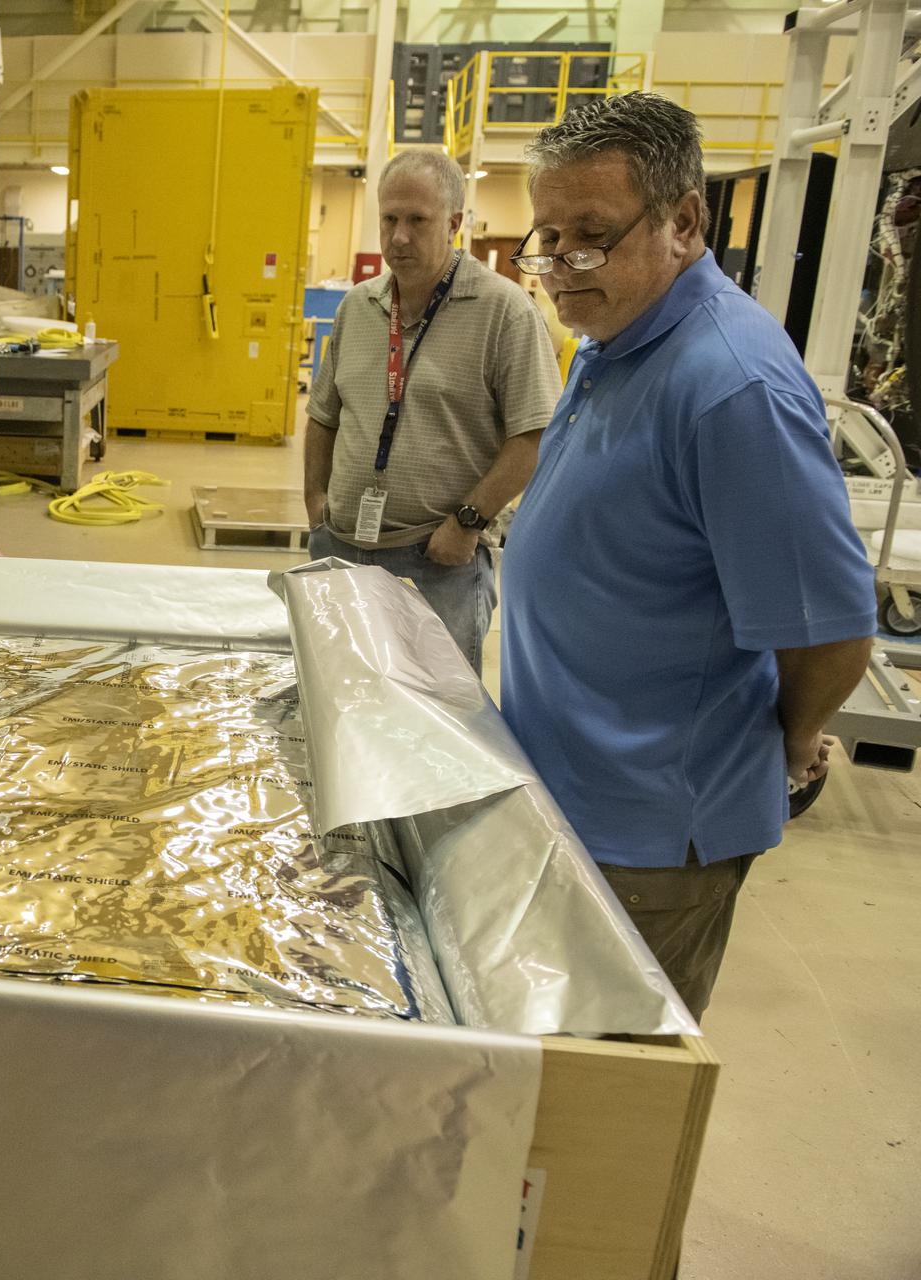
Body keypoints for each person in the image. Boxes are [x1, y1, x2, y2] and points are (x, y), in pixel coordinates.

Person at [501, 93, 877, 1020]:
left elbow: (830, 632)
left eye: (588, 234)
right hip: (577, 796)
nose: (557, 266)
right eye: (545, 236)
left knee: (605, 1102)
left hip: (652, 838)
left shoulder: (729, 388)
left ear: (684, 221)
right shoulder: (615, 331)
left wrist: (788, 741)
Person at [304, 148, 562, 674]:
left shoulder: (504, 312)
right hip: (341, 550)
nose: (399, 237)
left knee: (436, 715)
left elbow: (534, 436)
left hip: (436, 561)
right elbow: (324, 415)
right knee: (339, 692)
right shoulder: (359, 307)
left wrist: (468, 523)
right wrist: (315, 503)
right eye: (389, 219)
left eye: (417, 221)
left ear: (454, 224)